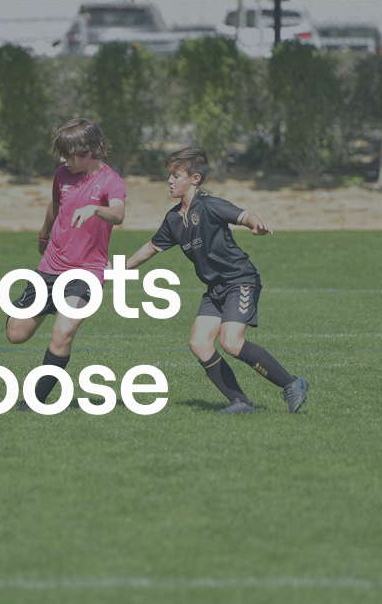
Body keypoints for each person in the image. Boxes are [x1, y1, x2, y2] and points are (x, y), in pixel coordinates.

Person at [124, 148, 309, 414]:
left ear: (195, 178)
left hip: (240, 280)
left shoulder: (210, 204)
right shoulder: (174, 219)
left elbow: (244, 215)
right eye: (170, 176)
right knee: (199, 343)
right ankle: (241, 402)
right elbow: (151, 248)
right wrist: (116, 269)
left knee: (231, 342)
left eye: (176, 175)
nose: (170, 181)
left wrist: (255, 225)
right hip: (215, 289)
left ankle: (293, 383)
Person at [5, 118, 126, 411]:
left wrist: (96, 208)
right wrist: (44, 233)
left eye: (68, 153)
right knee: (16, 334)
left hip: (87, 273)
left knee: (62, 334)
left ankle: (35, 401)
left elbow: (119, 215)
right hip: (50, 265)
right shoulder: (62, 173)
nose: (62, 159)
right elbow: (56, 205)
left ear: (89, 150)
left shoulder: (111, 181)